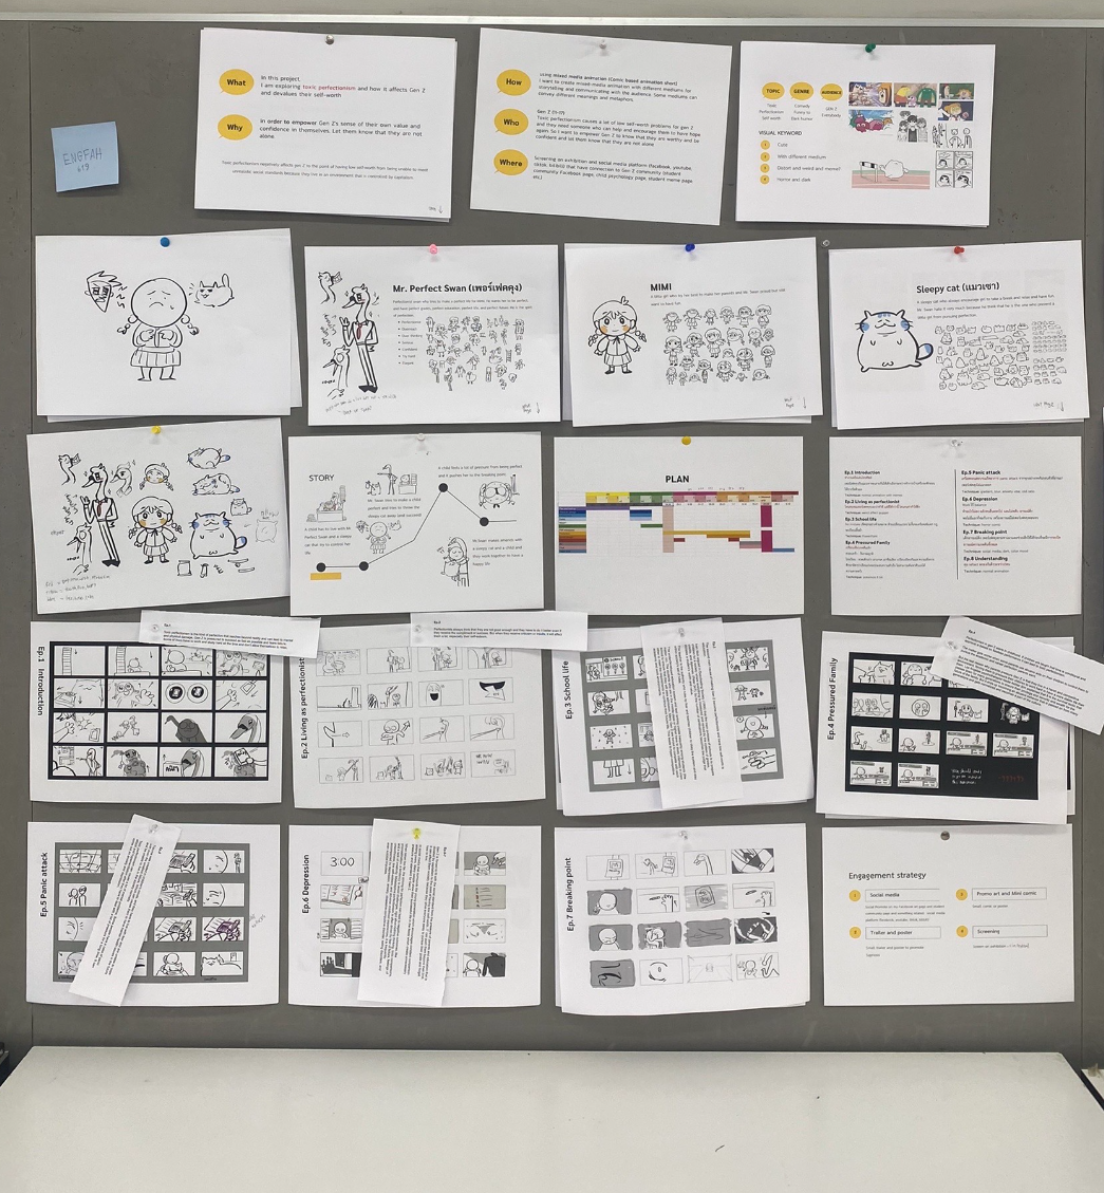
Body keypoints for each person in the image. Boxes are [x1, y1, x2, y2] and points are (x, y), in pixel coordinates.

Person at [118, 279, 198, 381]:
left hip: (166, 351)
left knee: (168, 365)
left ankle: (166, 376)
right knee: (145, 365)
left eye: (164, 298)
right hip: (147, 350)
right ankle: (146, 376)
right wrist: (143, 337)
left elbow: (177, 342)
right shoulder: (143, 324)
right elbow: (136, 341)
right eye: (151, 298)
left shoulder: (171, 325)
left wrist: (171, 336)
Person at [588, 296, 645, 375]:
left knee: (624, 360)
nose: (614, 326)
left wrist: (635, 346)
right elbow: (603, 343)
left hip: (623, 351)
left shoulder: (624, 337)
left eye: (622, 320)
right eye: (607, 321)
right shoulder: (608, 338)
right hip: (611, 352)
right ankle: (611, 369)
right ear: (598, 324)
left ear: (631, 323)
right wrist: (599, 349)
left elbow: (630, 341)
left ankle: (625, 368)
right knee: (611, 361)